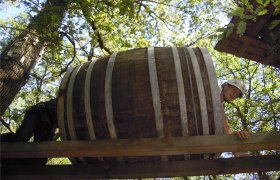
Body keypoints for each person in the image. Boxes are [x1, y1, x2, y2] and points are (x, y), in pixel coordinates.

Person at [0, 98, 57, 165]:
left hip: (48, 125)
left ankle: (12, 164)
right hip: (39, 112)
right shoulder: (61, 101)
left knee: (41, 157)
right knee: (21, 137)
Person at [220, 78, 250, 157]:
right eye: (234, 90)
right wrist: (236, 152)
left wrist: (236, 133)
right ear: (226, 86)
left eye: (237, 95)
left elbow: (225, 127)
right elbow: (225, 126)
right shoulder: (213, 91)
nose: (234, 95)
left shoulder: (221, 106)